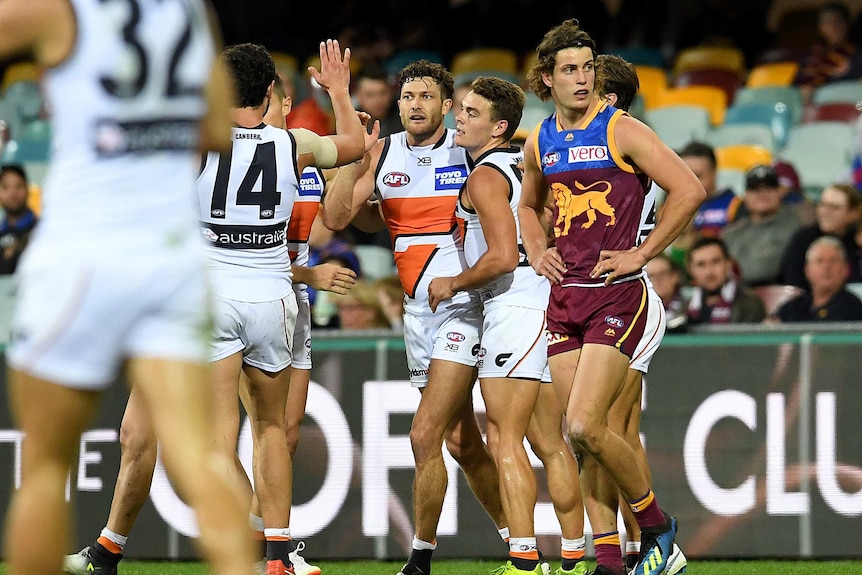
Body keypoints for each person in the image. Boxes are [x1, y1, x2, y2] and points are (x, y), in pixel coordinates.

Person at [62, 40, 365, 575]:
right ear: (270, 91)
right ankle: (277, 554)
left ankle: (246, 559)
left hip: (213, 297)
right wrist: (338, 91)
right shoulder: (291, 143)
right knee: (271, 430)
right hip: (273, 297)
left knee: (214, 446)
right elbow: (354, 144)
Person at [1, 1, 257, 575]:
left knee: (44, 466)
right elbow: (218, 129)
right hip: (171, 261)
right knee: (200, 458)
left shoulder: (57, 7)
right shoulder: (190, 11)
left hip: (82, 254)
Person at [517, 19, 705, 575]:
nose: (582, 78)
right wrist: (534, 248)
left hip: (617, 295)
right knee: (585, 441)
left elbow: (689, 188)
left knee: (583, 425)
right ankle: (609, 560)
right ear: (546, 79)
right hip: (565, 297)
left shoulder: (621, 129)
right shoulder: (538, 139)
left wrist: (643, 253)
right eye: (569, 69)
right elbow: (528, 204)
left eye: (588, 68)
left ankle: (656, 527)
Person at [323, 59, 507, 575]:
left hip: (461, 305)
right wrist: (358, 163)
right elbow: (336, 218)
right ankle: (520, 542)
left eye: (426, 97)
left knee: (424, 435)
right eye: (407, 97)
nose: (415, 106)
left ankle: (420, 560)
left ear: (447, 106)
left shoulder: (469, 150)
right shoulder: (386, 153)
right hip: (415, 313)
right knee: (461, 440)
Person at [427, 76, 549, 575]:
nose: (459, 116)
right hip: (539, 296)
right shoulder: (525, 165)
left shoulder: (484, 176)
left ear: (499, 127)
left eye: (472, 113)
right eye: (461, 109)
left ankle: (524, 559)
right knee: (557, 442)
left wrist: (453, 283)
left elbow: (501, 256)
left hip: (513, 301)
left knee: (504, 438)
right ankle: (593, 552)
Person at [721, 164, 804, 287]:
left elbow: (763, 270)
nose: (762, 194)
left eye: (768, 188)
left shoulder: (795, 226)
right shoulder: (731, 233)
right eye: (756, 190)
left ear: (778, 192)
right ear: (746, 196)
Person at [780, 183, 861, 289]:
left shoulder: (856, 240)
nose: (825, 212)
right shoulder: (803, 238)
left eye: (834, 208)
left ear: (853, 213)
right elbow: (793, 282)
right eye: (823, 205)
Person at [772, 235, 862, 322]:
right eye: (820, 261)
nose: (826, 267)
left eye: (833, 261)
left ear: (846, 269)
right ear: (807, 270)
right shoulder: (793, 307)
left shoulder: (854, 309)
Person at [685, 236, 766, 325]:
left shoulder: (750, 304)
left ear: (729, 264)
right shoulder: (682, 308)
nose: (709, 271)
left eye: (715, 262)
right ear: (690, 269)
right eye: (701, 264)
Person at [793, 2, 862, 104]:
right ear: (820, 28)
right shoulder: (810, 59)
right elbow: (798, 88)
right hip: (817, 110)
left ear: (847, 24)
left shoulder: (857, 56)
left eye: (838, 21)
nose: (833, 27)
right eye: (827, 22)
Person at [0, 164, 38, 275]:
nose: (13, 193)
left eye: (19, 186)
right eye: (5, 187)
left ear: (28, 189)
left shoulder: (42, 231)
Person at [353, 63, 403, 137]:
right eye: (370, 95)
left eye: (382, 93)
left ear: (391, 92)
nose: (377, 100)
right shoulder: (351, 122)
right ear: (358, 95)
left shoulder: (404, 118)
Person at [645, 254, 688, 333]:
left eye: (663, 273)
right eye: (651, 276)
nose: (658, 279)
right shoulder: (638, 310)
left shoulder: (689, 308)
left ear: (675, 276)